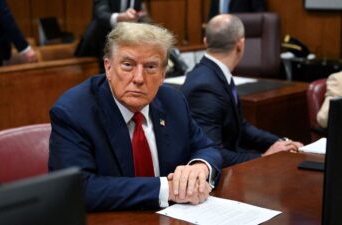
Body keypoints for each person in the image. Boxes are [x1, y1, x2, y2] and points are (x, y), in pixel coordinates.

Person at [49, 22, 222, 211]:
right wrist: (166, 189)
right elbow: (78, 189)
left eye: (150, 67)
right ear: (108, 68)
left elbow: (206, 147)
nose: (139, 78)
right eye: (127, 65)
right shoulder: (74, 112)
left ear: (163, 74)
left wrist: (199, 167)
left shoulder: (173, 101)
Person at [181, 14, 303, 168]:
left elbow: (241, 127)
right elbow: (212, 152)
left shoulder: (216, 73)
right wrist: (263, 157)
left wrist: (282, 143)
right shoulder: (205, 87)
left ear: (205, 42)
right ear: (240, 44)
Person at [74, 0, 150, 72]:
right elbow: (101, 14)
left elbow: (142, 13)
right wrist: (121, 17)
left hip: (128, 40)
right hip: (100, 41)